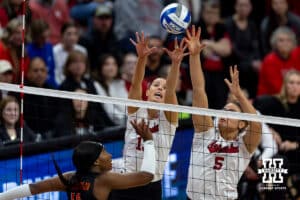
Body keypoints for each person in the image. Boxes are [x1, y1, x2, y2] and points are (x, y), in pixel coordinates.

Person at [185, 25, 262, 200]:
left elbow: (256, 123)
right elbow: (198, 90)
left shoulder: (245, 145)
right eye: (224, 110)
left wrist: (239, 96)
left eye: (232, 112)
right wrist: (195, 56)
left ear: (242, 123)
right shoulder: (205, 133)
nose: (224, 113)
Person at [110, 32, 187, 200]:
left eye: (164, 87)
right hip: (126, 179)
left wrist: (175, 63)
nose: (160, 88)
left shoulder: (169, 118)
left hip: (151, 184)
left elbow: (172, 90)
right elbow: (136, 82)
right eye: (156, 85)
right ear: (147, 91)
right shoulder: (136, 110)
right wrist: (141, 58)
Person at [0, 119, 156, 200]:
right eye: (104, 152)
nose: (109, 156)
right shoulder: (105, 179)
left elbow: (33, 188)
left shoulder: (69, 177)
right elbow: (147, 176)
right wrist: (148, 141)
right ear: (95, 161)